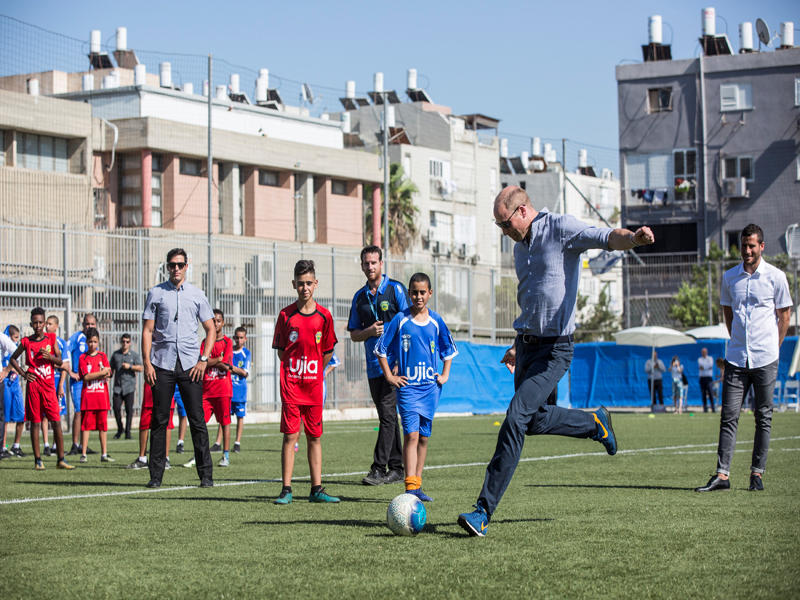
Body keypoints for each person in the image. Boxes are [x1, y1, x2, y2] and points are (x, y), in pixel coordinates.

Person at [457, 186, 654, 536]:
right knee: (532, 421)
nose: (504, 232)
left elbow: (606, 236)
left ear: (522, 211)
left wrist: (634, 239)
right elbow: (534, 298)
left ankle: (482, 511)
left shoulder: (560, 228)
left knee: (516, 417)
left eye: (504, 224)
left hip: (555, 350)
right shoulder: (520, 249)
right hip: (528, 346)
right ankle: (595, 424)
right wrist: (518, 345)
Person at [695, 224, 793, 493]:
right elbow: (728, 313)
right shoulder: (729, 277)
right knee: (728, 415)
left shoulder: (776, 277)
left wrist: (774, 345)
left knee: (763, 417)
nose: (747, 251)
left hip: (766, 358)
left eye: (752, 246)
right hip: (736, 358)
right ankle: (722, 476)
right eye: (744, 246)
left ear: (762, 246)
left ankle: (757, 474)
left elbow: (785, 315)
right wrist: (736, 340)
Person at [375, 272, 458, 503]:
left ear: (430, 293)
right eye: (414, 292)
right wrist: (390, 376)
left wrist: (445, 374)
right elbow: (381, 349)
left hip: (430, 389)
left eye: (422, 292)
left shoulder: (436, 321)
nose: (418, 296)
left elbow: (448, 349)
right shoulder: (400, 319)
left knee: (423, 437)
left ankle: (417, 485)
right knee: (410, 435)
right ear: (409, 293)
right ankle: (410, 488)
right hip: (408, 388)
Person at [141, 247, 216, 489]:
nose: (176, 269)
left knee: (197, 420)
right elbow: (148, 331)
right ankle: (156, 475)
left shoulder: (197, 294)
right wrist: (146, 363)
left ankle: (206, 476)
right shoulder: (156, 293)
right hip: (161, 364)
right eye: (172, 265)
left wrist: (204, 359)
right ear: (166, 267)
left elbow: (211, 328)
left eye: (180, 265)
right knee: (159, 420)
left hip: (190, 366)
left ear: (187, 266)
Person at [272, 260, 339, 504]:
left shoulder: (325, 316)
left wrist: (314, 371)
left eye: (309, 283)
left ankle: (317, 489)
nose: (305, 288)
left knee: (314, 437)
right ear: (294, 285)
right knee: (290, 436)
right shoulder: (285, 315)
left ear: (316, 284)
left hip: (313, 387)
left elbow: (328, 350)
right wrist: (296, 370)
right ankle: (286, 489)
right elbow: (281, 351)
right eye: (300, 284)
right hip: (291, 385)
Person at [347, 245, 410, 486]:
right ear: (362, 266)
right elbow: (353, 334)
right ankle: (396, 467)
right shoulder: (359, 297)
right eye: (366, 263)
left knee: (386, 416)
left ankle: (378, 468)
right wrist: (369, 331)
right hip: (373, 366)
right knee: (388, 416)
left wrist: (401, 363)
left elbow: (408, 325)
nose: (370, 267)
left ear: (381, 264)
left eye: (374, 262)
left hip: (393, 367)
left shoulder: (395, 290)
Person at [7, 307, 74, 470]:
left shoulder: (51, 339)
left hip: (49, 386)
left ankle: (61, 459)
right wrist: (24, 374)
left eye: (40, 322)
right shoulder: (26, 342)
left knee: (56, 422)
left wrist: (50, 357)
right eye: (35, 322)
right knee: (35, 423)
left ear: (44, 323)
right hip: (34, 386)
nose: (38, 325)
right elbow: (13, 358)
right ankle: (38, 460)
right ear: (31, 324)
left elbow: (60, 361)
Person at [200, 309, 233, 467]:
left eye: (218, 321)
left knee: (225, 422)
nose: (215, 323)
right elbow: (201, 362)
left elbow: (225, 365)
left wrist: (209, 360)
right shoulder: (204, 342)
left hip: (222, 390)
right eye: (213, 321)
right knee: (200, 423)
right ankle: (200, 454)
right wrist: (215, 359)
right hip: (206, 391)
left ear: (223, 322)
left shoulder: (227, 342)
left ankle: (225, 455)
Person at [78, 328, 114, 463]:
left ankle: (104, 453)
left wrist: (106, 373)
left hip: (101, 397)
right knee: (86, 426)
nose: (92, 344)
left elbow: (109, 373)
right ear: (86, 342)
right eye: (90, 342)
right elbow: (86, 377)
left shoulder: (102, 356)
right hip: (88, 397)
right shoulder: (83, 357)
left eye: (95, 342)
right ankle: (83, 453)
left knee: (103, 426)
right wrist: (102, 372)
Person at [66, 314, 98, 455]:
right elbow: (64, 354)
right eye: (87, 324)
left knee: (86, 412)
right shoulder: (76, 338)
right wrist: (71, 372)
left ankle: (83, 445)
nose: (89, 326)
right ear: (82, 324)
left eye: (92, 324)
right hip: (78, 382)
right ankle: (74, 444)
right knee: (79, 411)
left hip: (90, 381)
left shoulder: (93, 340)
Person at [126, 383, 174, 470]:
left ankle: (165, 458)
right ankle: (142, 458)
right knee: (144, 424)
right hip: (150, 389)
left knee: (166, 424)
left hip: (166, 386)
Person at [110, 333, 143, 439]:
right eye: (123, 341)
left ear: (130, 343)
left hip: (129, 386)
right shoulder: (116, 355)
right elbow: (111, 369)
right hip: (118, 387)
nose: (125, 344)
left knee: (129, 410)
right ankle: (120, 428)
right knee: (116, 408)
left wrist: (130, 367)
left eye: (127, 342)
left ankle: (128, 432)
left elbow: (141, 368)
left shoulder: (134, 355)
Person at [45, 315, 70, 456]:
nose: (47, 326)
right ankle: (46, 445)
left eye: (50, 324)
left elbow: (65, 365)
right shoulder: (42, 342)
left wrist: (61, 385)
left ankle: (55, 445)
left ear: (56, 326)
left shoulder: (61, 343)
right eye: (46, 323)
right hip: (44, 382)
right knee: (43, 416)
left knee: (57, 414)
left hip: (55, 382)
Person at [2, 325, 25, 457]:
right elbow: (8, 365)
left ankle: (16, 445)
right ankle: (3, 445)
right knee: (4, 416)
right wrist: (10, 369)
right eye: (15, 338)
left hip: (15, 384)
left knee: (21, 415)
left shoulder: (15, 349)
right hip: (6, 384)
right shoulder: (3, 349)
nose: (17, 341)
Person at [0, 327, 18, 461]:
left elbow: (16, 351)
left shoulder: (1, 337)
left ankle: (1, 448)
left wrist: (6, 370)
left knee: (1, 415)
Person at [698, 348, 715, 413]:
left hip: (709, 378)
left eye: (704, 352)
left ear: (707, 352)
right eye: (702, 352)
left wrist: (705, 367)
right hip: (702, 378)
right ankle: (705, 409)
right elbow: (701, 366)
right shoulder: (700, 359)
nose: (703, 353)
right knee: (703, 394)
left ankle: (713, 408)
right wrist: (707, 367)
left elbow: (710, 365)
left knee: (711, 393)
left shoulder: (710, 358)